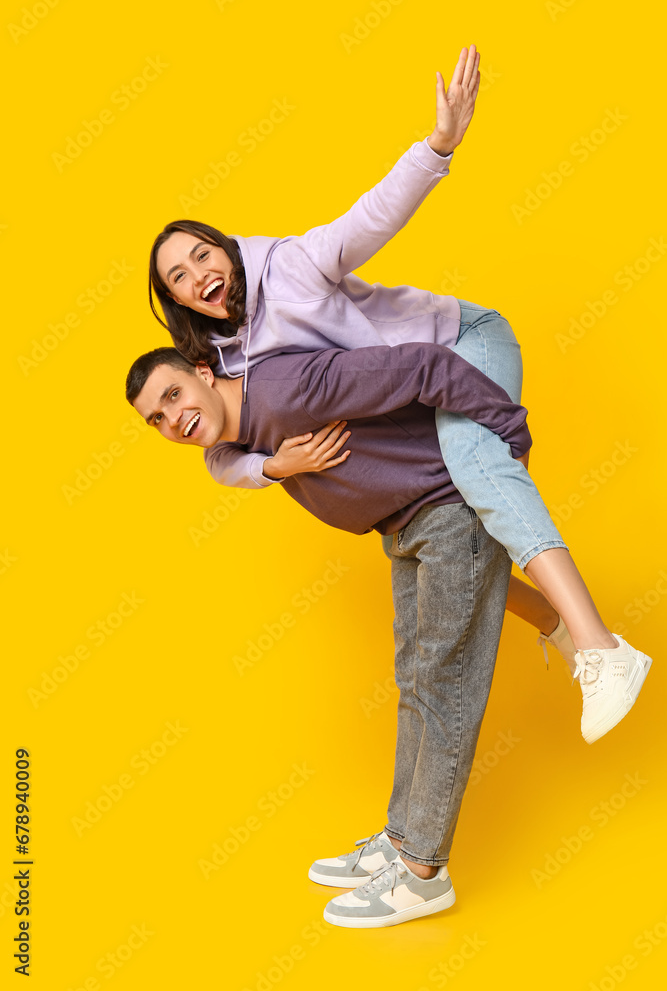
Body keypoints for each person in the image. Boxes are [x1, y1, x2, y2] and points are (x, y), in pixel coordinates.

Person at [146, 46, 651, 741]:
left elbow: (369, 218)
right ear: (177, 302)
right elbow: (218, 455)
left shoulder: (292, 267)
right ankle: (557, 623)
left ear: (225, 250)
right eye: (178, 275)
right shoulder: (220, 364)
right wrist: (272, 467)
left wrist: (437, 145)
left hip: (458, 344)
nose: (196, 273)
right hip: (409, 388)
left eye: (201, 253)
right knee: (446, 533)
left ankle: (601, 649)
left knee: (478, 473)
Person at [125, 342, 651, 928]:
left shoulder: (285, 387)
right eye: (156, 419)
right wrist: (276, 466)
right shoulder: (236, 439)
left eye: (173, 396)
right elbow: (226, 467)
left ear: (203, 372)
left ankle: (424, 872)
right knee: (416, 684)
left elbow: (424, 366)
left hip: (449, 512)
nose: (173, 419)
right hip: (405, 526)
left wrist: (508, 448)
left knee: (443, 688)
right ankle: (403, 837)